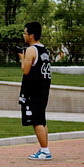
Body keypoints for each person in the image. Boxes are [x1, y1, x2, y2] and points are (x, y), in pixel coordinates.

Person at [20, 22, 53, 160]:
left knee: (36, 120)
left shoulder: (31, 50)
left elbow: (25, 70)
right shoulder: (44, 50)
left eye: (25, 33)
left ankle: (45, 151)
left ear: (31, 35)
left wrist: (22, 58)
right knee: (41, 120)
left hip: (33, 90)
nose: (24, 35)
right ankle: (44, 148)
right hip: (43, 88)